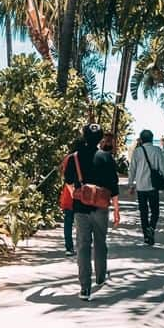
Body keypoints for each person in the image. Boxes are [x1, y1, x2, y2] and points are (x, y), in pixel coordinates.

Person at [63, 123, 120, 301]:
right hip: (101, 208)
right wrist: (117, 210)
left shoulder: (75, 158)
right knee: (101, 242)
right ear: (101, 139)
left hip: (81, 208)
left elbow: (68, 181)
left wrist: (77, 195)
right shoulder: (107, 157)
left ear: (84, 136)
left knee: (83, 245)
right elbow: (113, 186)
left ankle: (84, 288)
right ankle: (101, 277)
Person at [128, 128, 164, 246]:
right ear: (151, 138)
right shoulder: (157, 150)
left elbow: (132, 169)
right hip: (153, 186)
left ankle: (146, 236)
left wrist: (131, 184)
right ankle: (151, 227)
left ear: (141, 139)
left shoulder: (137, 151)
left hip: (141, 186)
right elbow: (163, 168)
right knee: (155, 211)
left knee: (143, 212)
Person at [59, 136, 81, 255]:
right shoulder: (82, 157)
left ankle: (69, 247)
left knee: (68, 221)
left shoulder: (67, 158)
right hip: (80, 192)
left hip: (68, 191)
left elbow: (63, 174)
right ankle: (82, 245)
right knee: (81, 220)